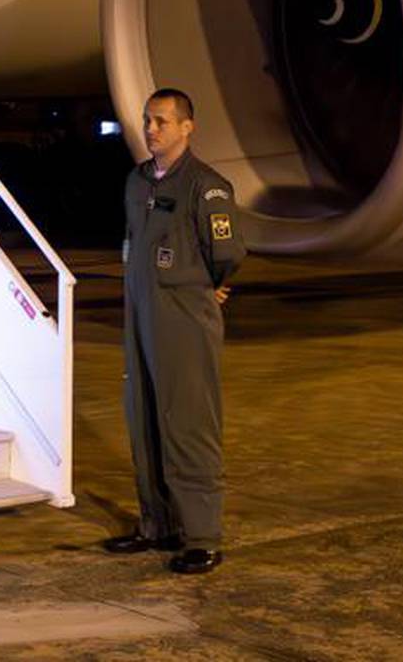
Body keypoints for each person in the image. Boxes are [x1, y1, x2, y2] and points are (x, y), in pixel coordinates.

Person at [104, 88, 247, 575]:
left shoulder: (206, 186)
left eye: (162, 121)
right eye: (148, 120)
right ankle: (158, 525)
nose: (151, 129)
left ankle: (202, 536)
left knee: (188, 421)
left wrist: (207, 285)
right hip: (141, 311)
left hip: (183, 315)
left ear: (187, 127)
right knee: (143, 416)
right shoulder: (138, 181)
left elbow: (227, 252)